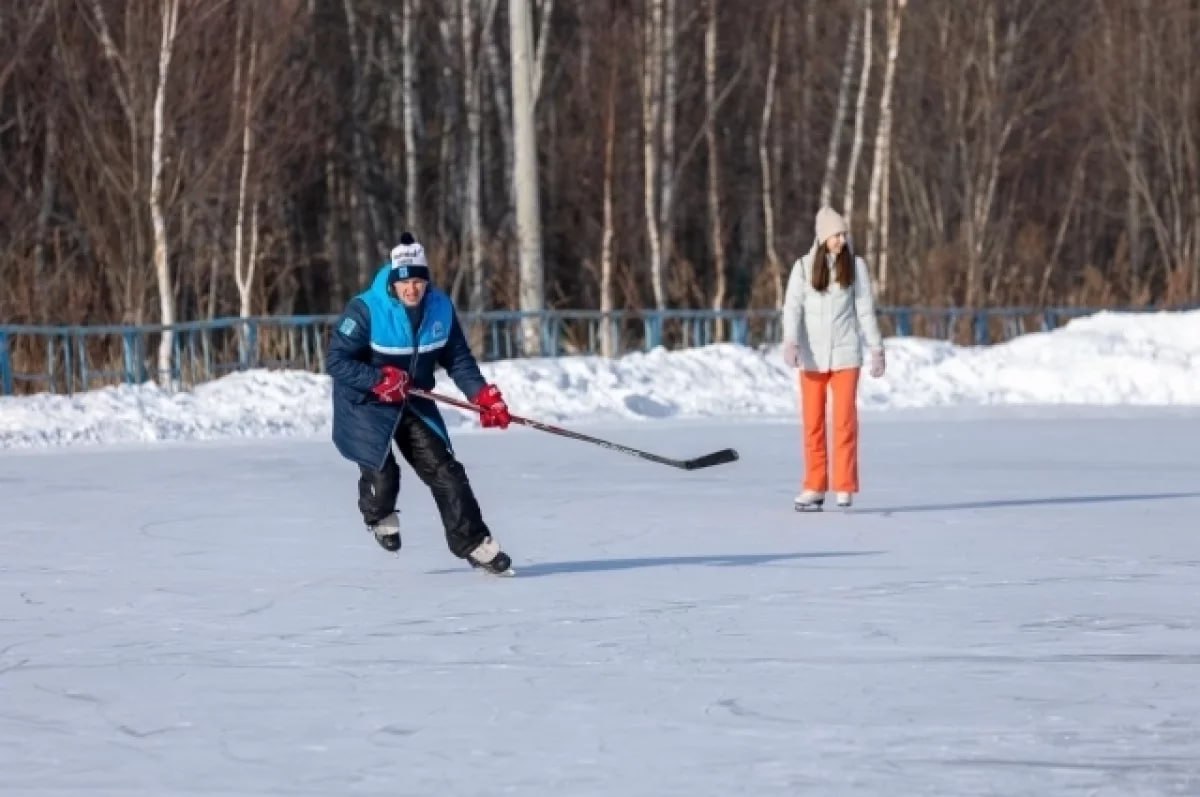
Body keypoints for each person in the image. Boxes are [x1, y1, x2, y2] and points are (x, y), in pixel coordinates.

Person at [326, 232, 515, 574]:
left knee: (446, 472)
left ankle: (472, 542)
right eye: (405, 283)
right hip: (366, 402)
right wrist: (378, 379)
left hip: (413, 398)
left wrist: (482, 396)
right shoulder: (366, 309)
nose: (412, 289)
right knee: (383, 474)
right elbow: (336, 361)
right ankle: (379, 513)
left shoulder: (440, 307)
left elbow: (457, 358)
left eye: (418, 282)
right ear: (393, 284)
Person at [781, 207, 885, 511]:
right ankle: (814, 486)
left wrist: (876, 349)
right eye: (836, 234)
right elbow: (792, 308)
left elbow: (865, 311)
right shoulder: (802, 268)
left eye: (843, 234)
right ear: (823, 236)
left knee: (844, 422)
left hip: (845, 355)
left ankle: (844, 485)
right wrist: (790, 341)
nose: (841, 239)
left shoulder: (856, 267)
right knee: (812, 424)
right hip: (812, 357)